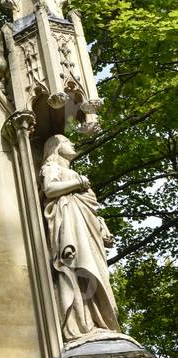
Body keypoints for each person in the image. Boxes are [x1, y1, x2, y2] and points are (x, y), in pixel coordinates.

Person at [40, 133, 118, 341]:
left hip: (85, 229)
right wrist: (78, 183)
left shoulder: (70, 171)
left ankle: (97, 321)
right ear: (55, 147)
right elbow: (49, 189)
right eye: (66, 141)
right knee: (76, 267)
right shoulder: (51, 168)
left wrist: (100, 226)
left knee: (95, 270)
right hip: (69, 228)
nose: (72, 143)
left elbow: (89, 207)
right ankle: (81, 323)